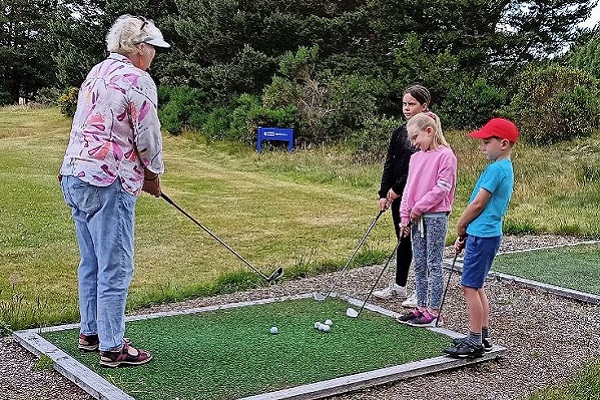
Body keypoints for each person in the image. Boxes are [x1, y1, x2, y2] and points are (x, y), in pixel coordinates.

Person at [58, 14, 170, 367]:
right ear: (138, 47)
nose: (154, 54)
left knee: (91, 260)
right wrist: (152, 175)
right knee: (115, 265)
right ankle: (113, 346)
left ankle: (90, 332)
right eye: (153, 48)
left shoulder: (97, 71)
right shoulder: (139, 79)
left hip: (75, 175)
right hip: (109, 181)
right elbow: (148, 136)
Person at [443, 118, 519, 358]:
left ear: (504, 143)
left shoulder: (496, 169)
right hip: (486, 233)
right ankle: (482, 335)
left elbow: (477, 203)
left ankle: (474, 341)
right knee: (476, 286)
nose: (483, 146)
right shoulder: (505, 168)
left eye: (487, 142)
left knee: (469, 287)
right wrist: (468, 232)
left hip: (482, 234)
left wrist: (461, 224)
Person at [395, 112, 457, 327]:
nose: (414, 143)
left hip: (435, 216)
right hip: (416, 218)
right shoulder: (415, 158)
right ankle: (421, 307)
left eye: (416, 137)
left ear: (429, 131)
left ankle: (433, 311)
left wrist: (418, 209)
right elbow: (409, 190)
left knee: (433, 263)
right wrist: (405, 218)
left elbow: (442, 188)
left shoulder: (446, 155)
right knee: (419, 264)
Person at [373, 85, 431, 307]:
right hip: (398, 197)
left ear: (423, 106)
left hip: (416, 195)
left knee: (420, 242)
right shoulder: (399, 132)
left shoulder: (426, 134)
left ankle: (421, 288)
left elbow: (414, 170)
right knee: (403, 238)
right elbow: (391, 162)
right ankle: (399, 286)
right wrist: (383, 192)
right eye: (404, 104)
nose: (406, 108)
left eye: (412, 104)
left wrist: (395, 190)